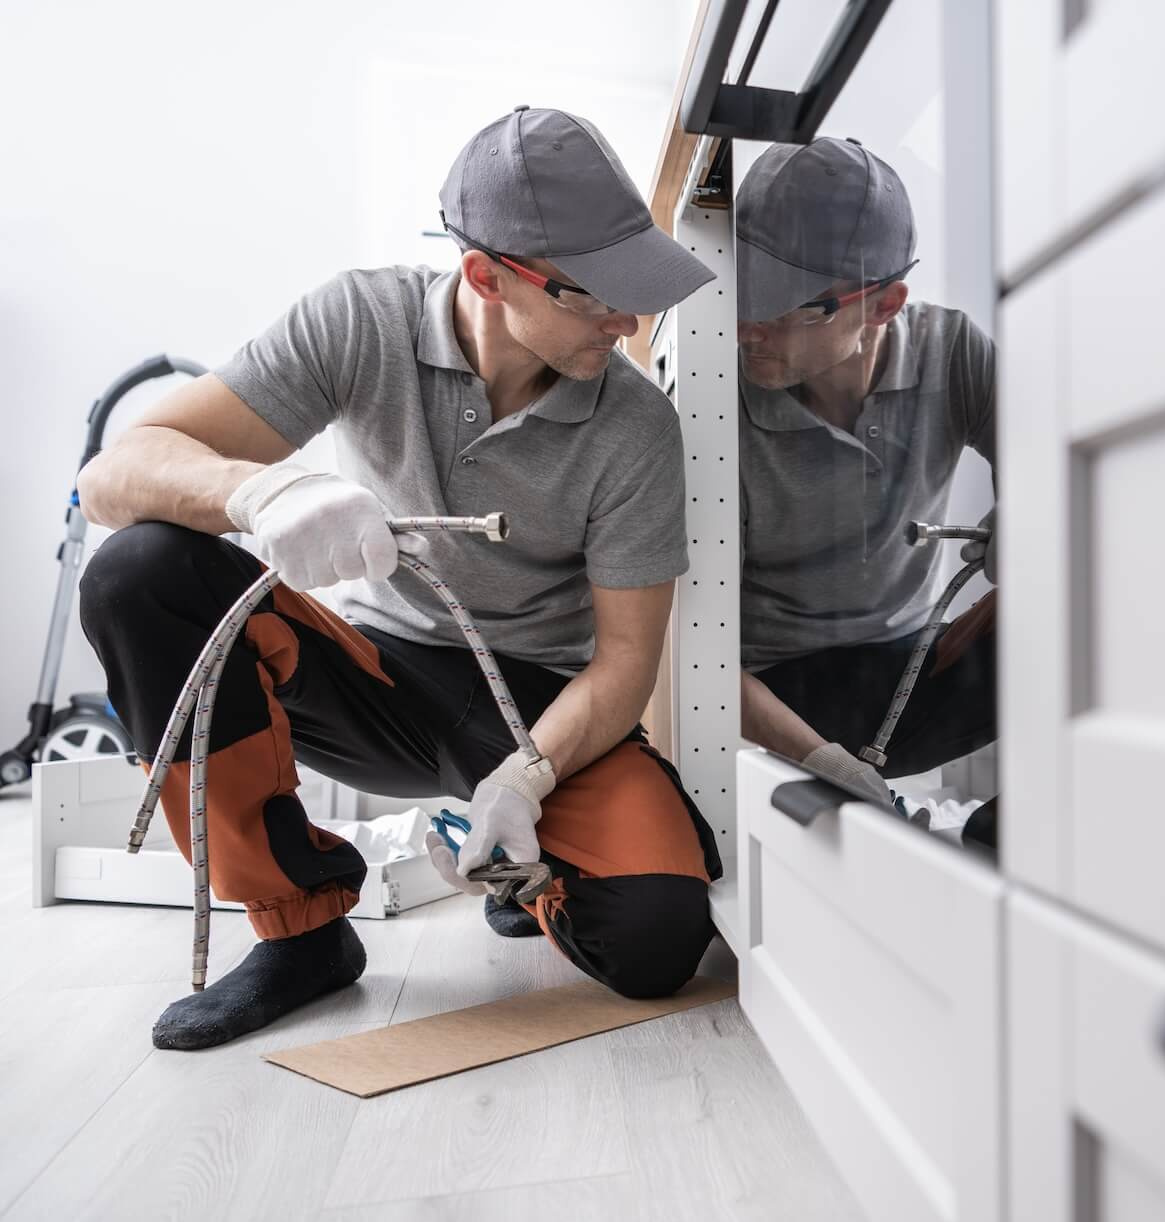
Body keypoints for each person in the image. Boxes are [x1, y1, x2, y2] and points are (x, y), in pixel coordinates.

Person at [76, 106, 721, 1051]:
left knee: (658, 942)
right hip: (367, 674)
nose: (631, 323)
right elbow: (110, 478)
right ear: (487, 276)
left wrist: (525, 781)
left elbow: (625, 664)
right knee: (140, 570)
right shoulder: (360, 322)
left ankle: (523, 880)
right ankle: (302, 933)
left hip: (532, 709)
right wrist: (263, 491)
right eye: (597, 297)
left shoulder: (634, 428)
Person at [731, 138, 999, 812]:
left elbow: (1073, 480)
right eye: (741, 290)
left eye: (784, 304)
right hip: (765, 698)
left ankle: (1022, 837)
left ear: (883, 304)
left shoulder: (954, 351)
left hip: (910, 667)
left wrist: (1032, 531)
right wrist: (817, 760)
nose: (746, 327)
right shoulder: (716, 392)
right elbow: (688, 651)